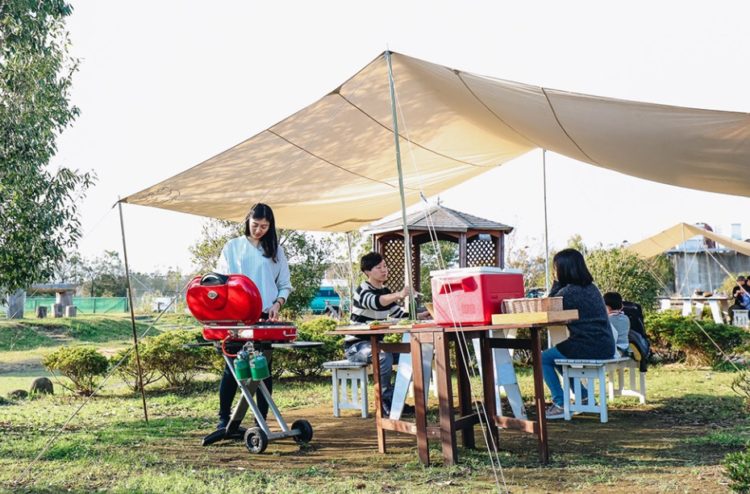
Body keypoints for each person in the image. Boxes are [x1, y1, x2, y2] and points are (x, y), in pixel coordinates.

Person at [214, 203, 292, 430]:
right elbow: (222, 282)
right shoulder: (233, 247)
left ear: (271, 226)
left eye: (264, 226)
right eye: (255, 225)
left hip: (265, 315)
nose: (259, 230)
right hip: (236, 315)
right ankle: (224, 419)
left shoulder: (276, 251)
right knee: (232, 367)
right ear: (248, 221)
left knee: (262, 367)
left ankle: (261, 419)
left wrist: (278, 303)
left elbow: (285, 285)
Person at [347, 252, 427, 415]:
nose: (384, 270)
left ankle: (396, 399)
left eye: (385, 266)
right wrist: (399, 294)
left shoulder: (385, 290)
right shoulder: (362, 290)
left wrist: (422, 315)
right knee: (384, 357)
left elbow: (399, 314)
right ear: (367, 271)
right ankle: (385, 401)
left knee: (413, 353)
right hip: (356, 347)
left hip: (377, 344)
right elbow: (375, 303)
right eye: (379, 267)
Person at [541, 248, 614, 420]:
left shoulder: (568, 293)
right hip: (604, 344)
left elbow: (549, 305)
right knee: (557, 355)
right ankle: (584, 396)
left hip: (587, 344)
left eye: (556, 268)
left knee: (544, 358)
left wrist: (556, 284)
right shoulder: (592, 288)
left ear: (564, 270)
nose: (555, 271)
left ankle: (560, 403)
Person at [603, 291, 630, 357]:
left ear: (608, 307)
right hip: (626, 347)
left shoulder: (608, 320)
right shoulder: (626, 318)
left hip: (616, 349)